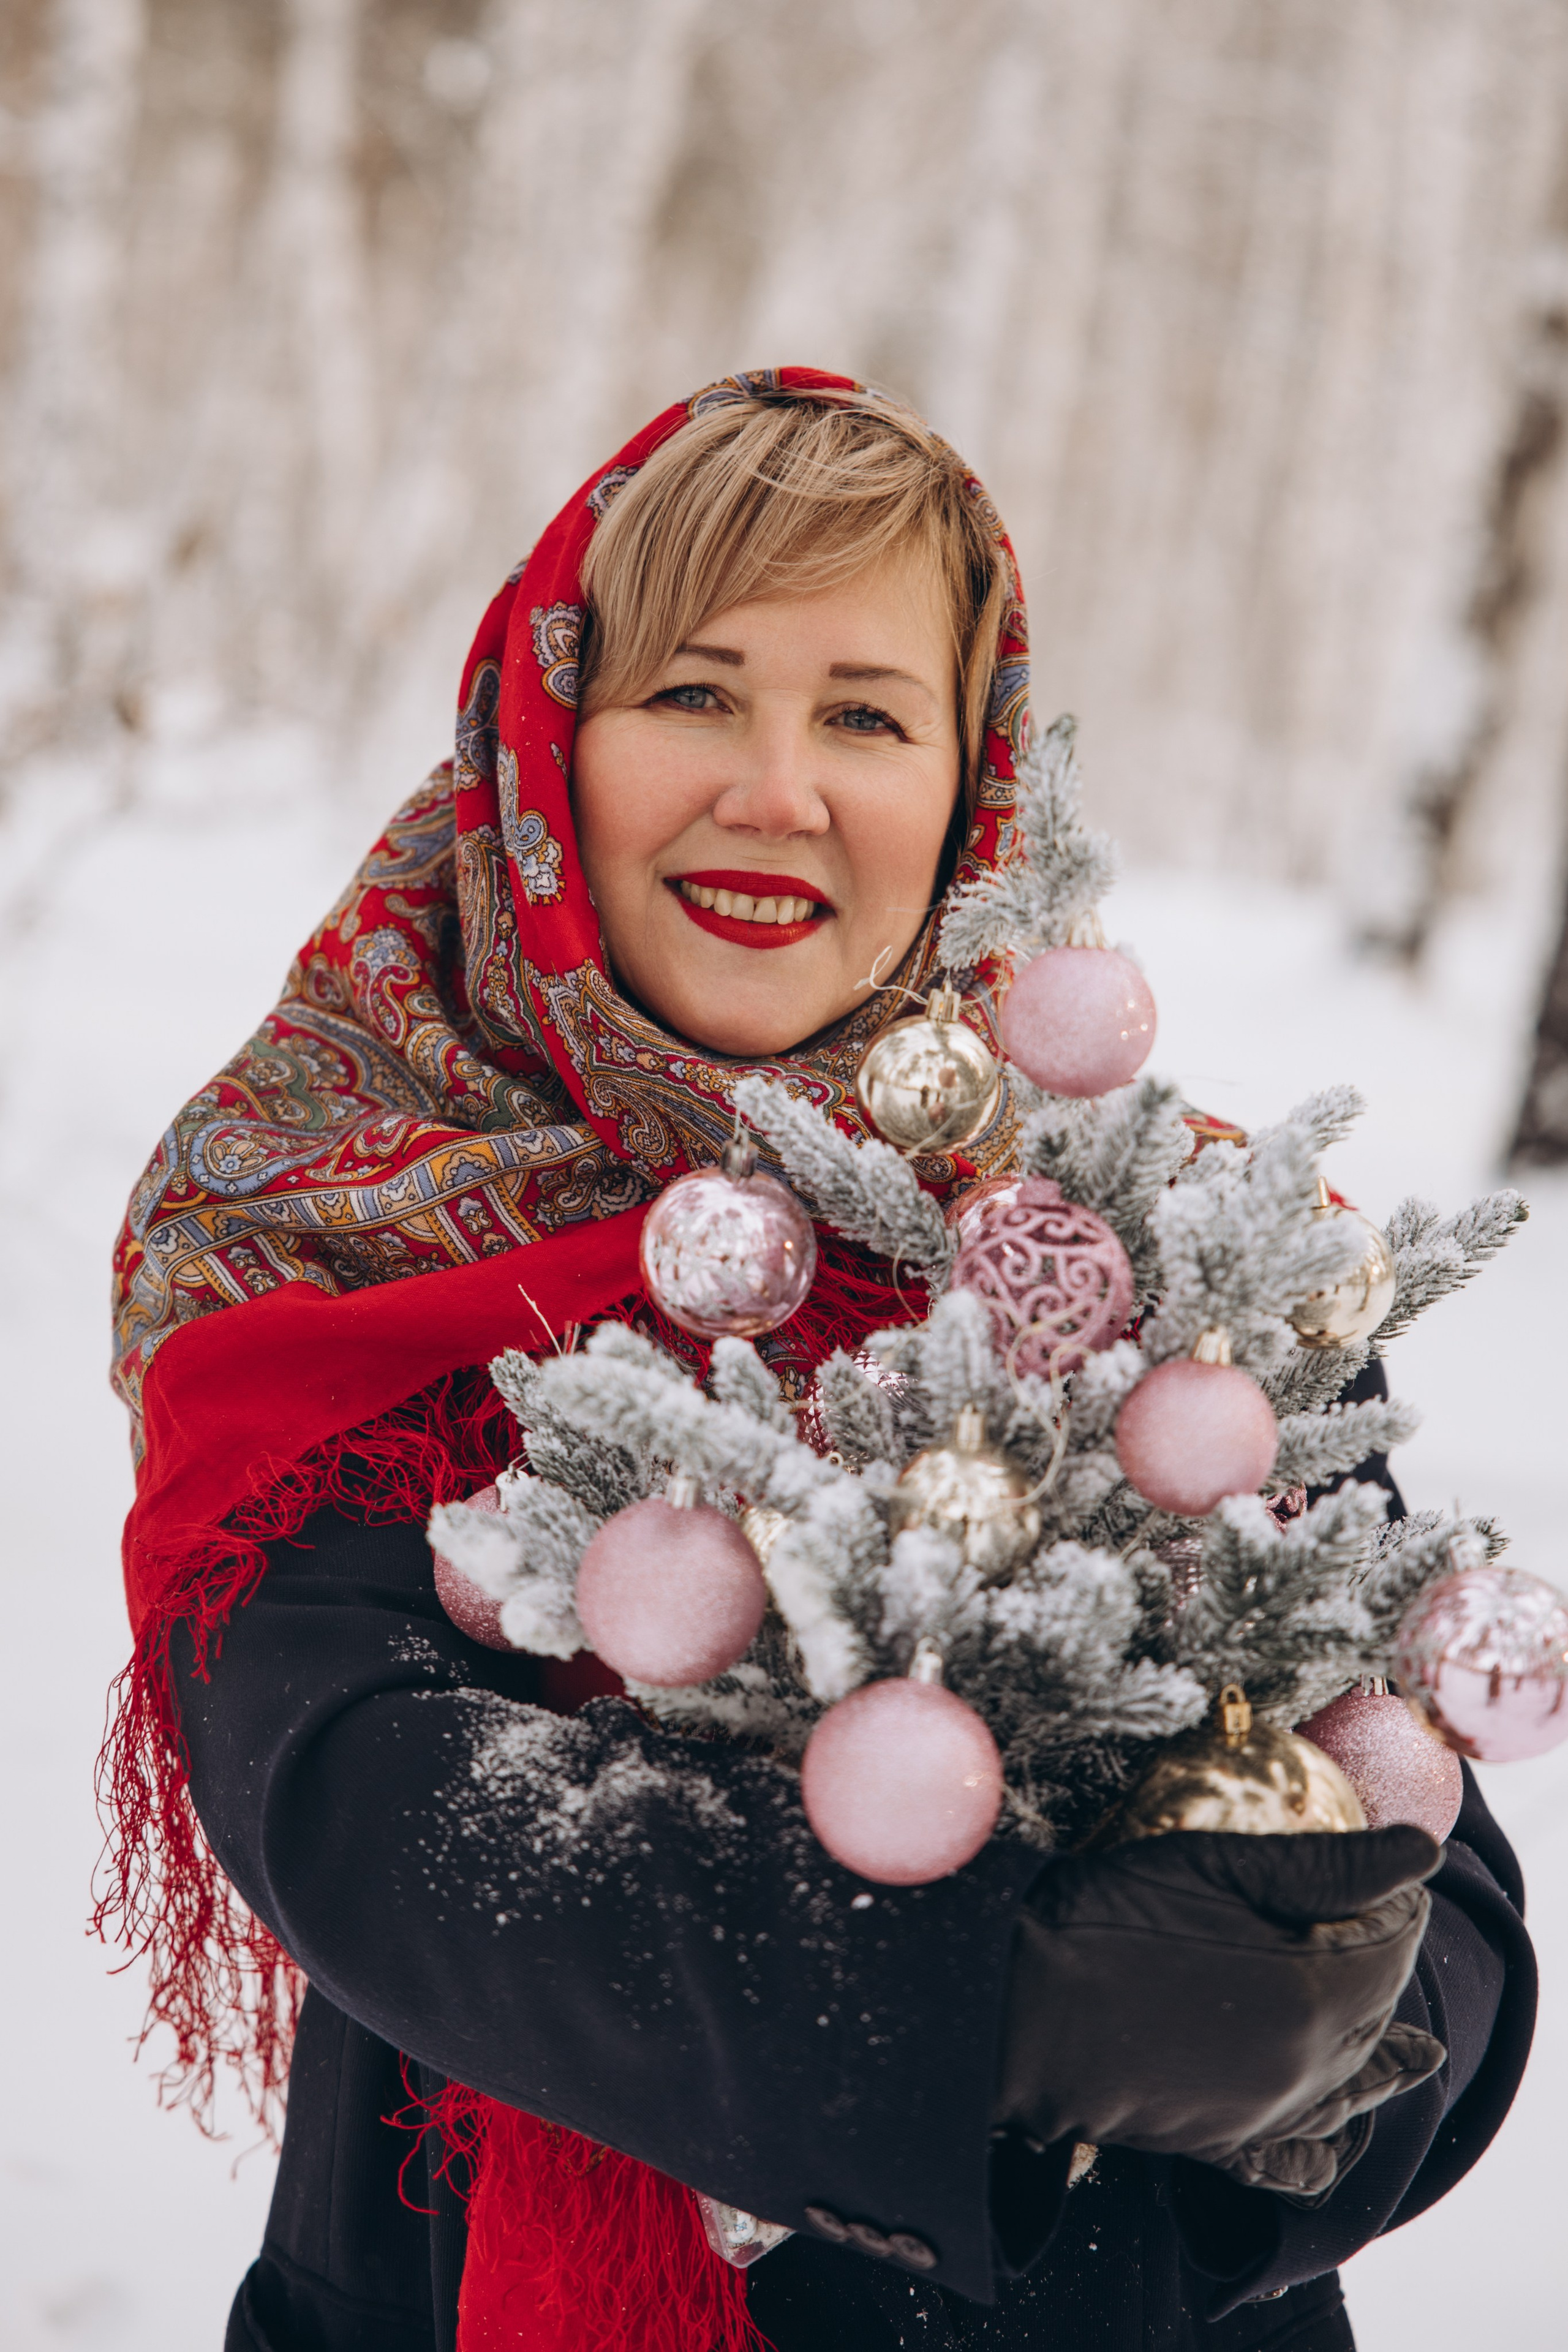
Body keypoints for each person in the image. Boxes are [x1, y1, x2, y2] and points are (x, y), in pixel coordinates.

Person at [103, 369, 1535, 2352]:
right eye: (695, 692)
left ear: (974, 782)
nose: (776, 789)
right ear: (544, 743)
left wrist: (1318, 2066)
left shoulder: (1157, 1262)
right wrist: (981, 2008)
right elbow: (355, 1797)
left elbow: (1447, 1896)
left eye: (865, 713)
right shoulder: (334, 1221)